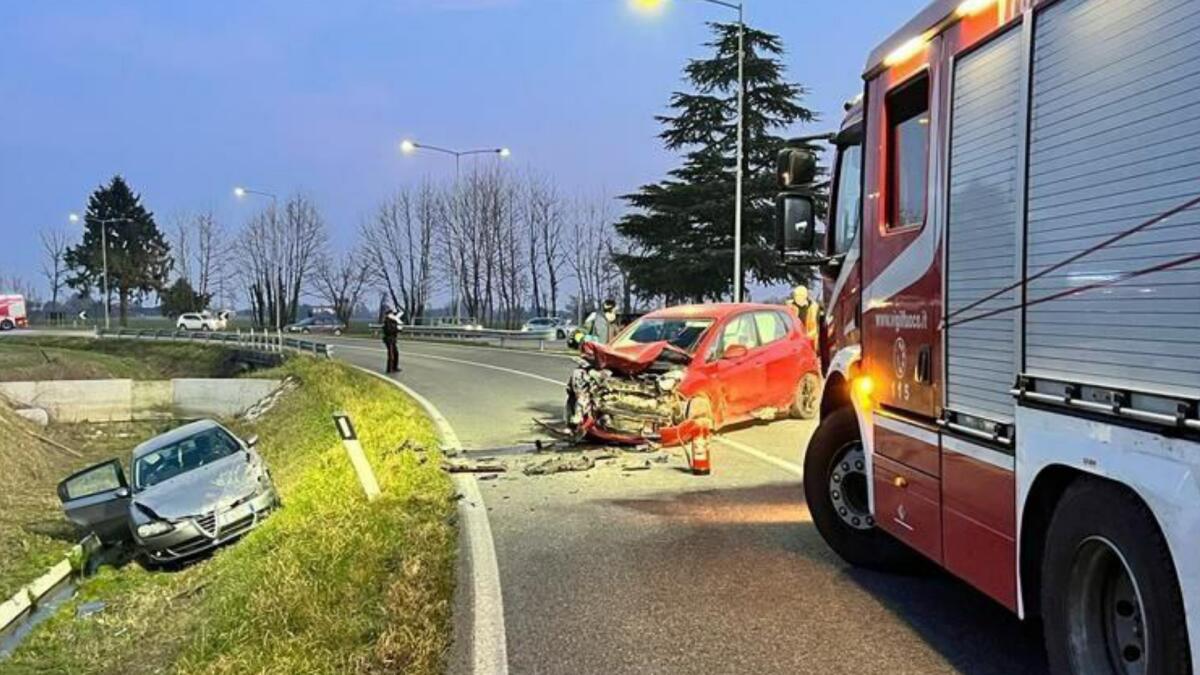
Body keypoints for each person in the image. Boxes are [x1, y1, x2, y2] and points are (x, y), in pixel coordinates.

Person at [382, 306, 403, 373]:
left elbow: (396, 328)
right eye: (391, 313)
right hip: (389, 339)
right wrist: (396, 329)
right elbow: (388, 331)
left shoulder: (393, 321)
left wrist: (399, 329)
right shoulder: (387, 321)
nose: (393, 315)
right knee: (391, 355)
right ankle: (389, 369)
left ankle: (395, 367)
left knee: (396, 353)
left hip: (393, 339)